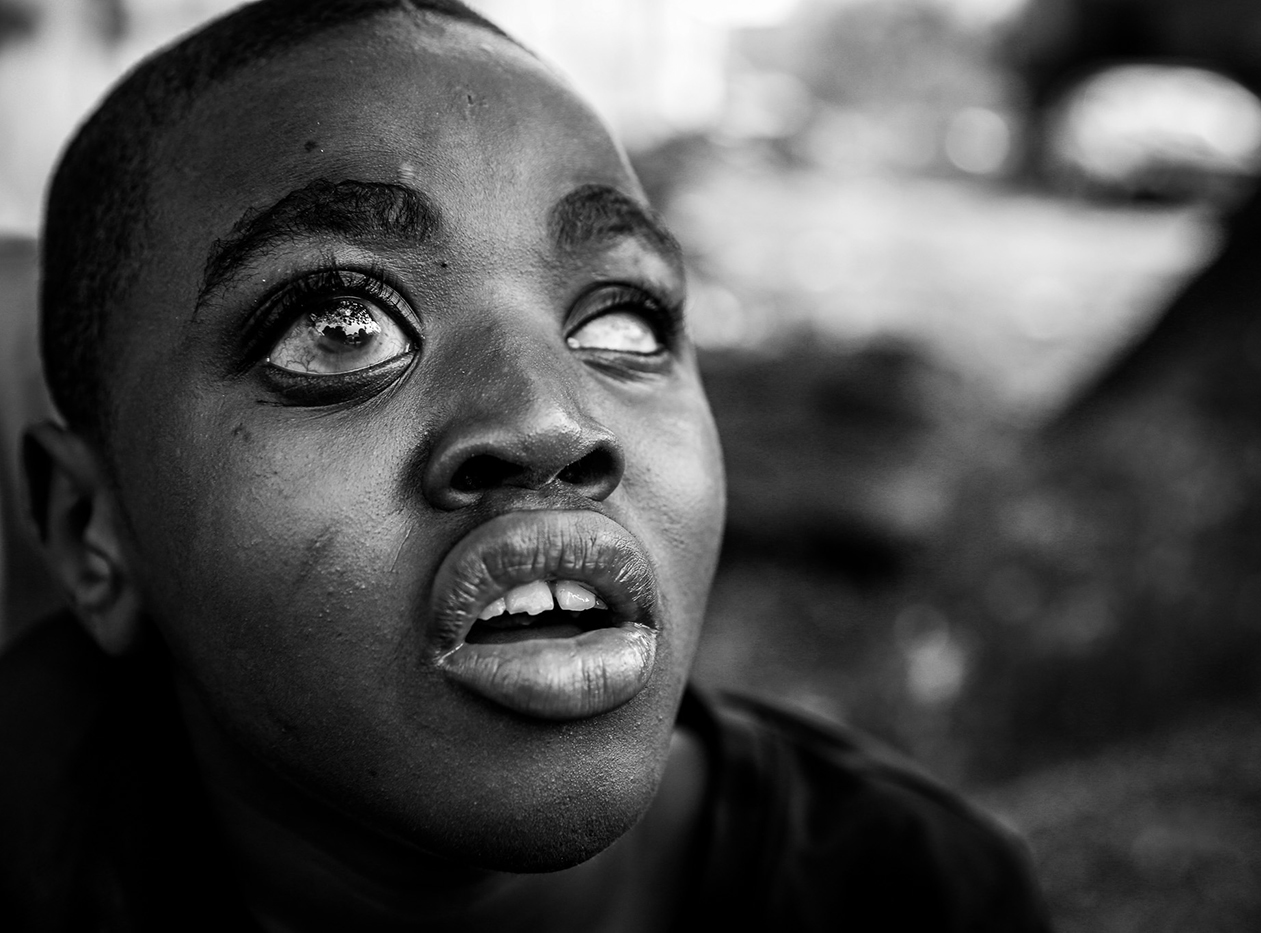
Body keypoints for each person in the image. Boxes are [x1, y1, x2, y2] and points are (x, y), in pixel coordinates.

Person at [0, 1, 1052, 929]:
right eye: (341, 326)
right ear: (91, 533)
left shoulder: (915, 893)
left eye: (623, 321)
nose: (553, 422)